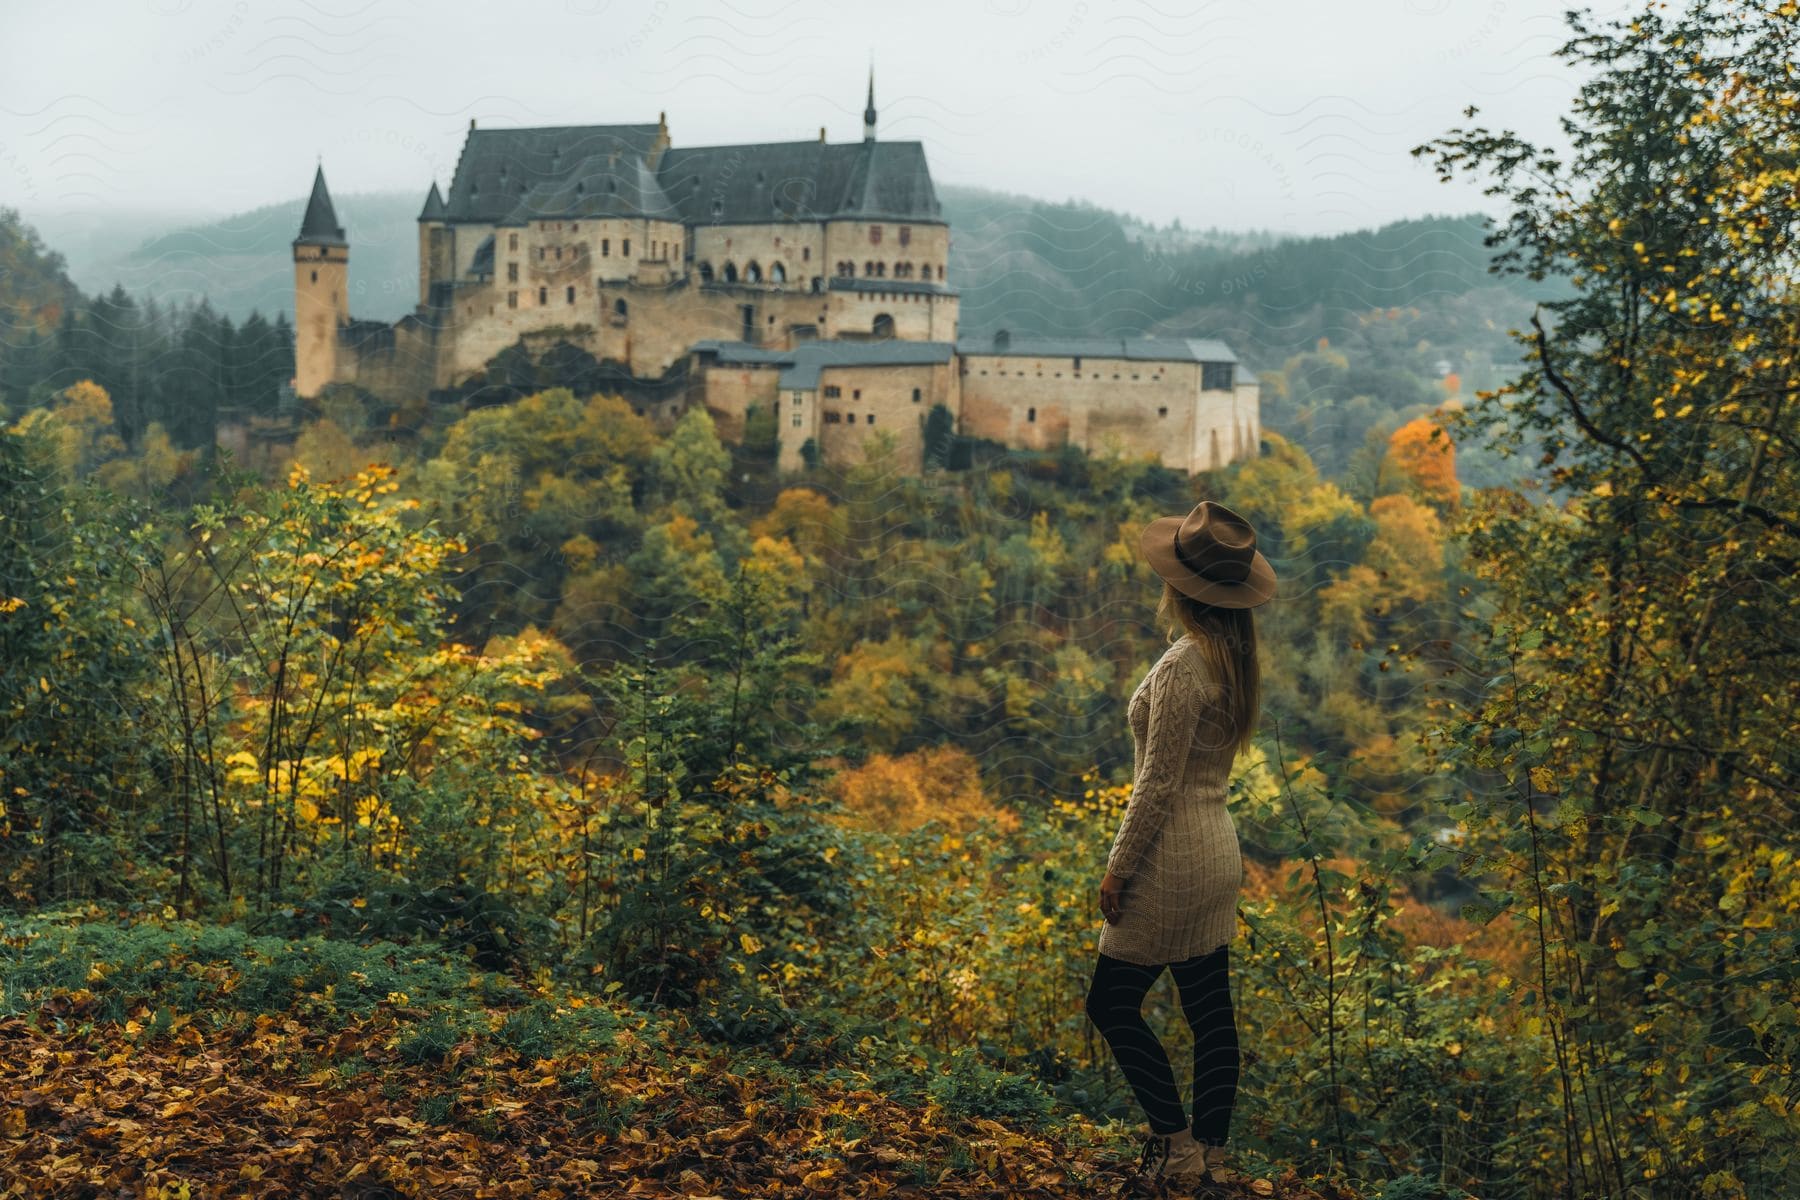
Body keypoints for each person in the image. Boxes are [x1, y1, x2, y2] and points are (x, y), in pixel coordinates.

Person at [1085, 499, 1275, 1189]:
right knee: (1210, 1014)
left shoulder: (1180, 665)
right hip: (1218, 854)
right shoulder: (1235, 658)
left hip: (1169, 860)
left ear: (1180, 584)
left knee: (1109, 1005)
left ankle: (1178, 1149)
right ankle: (1213, 1159)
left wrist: (1117, 870)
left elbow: (1157, 786)